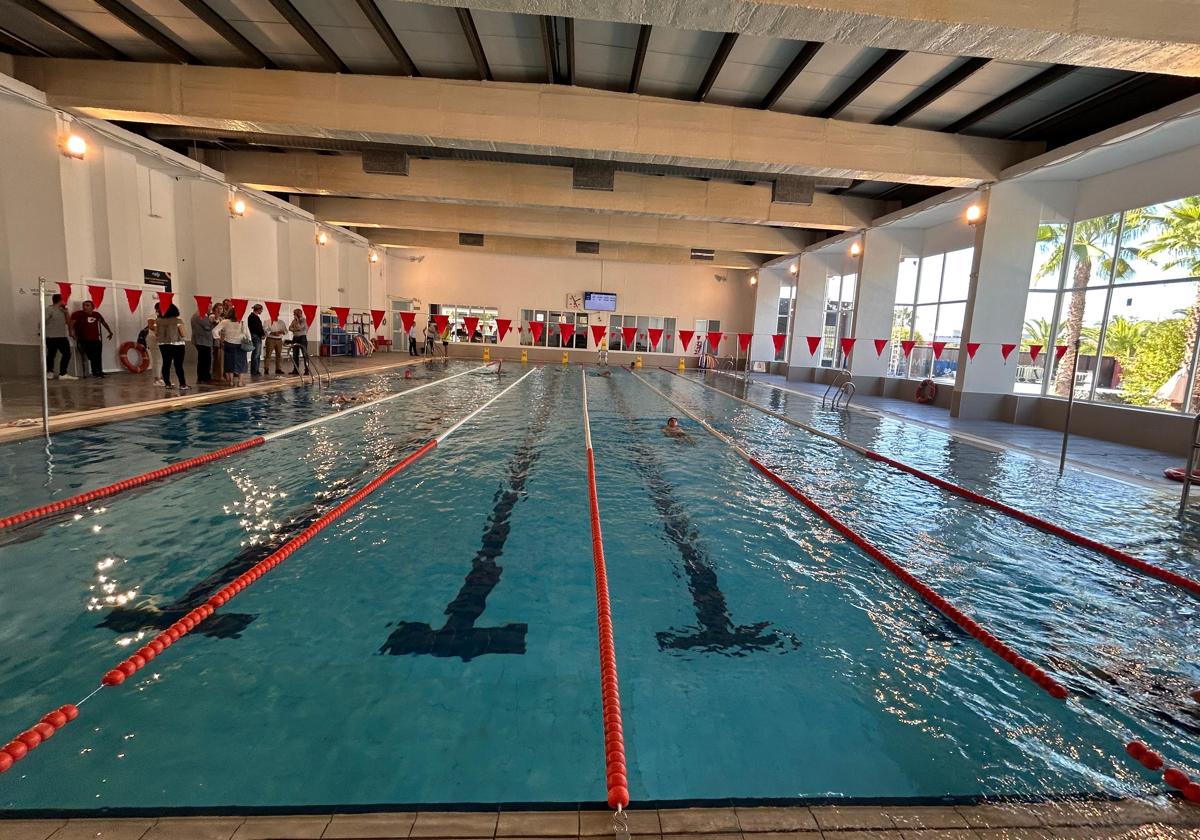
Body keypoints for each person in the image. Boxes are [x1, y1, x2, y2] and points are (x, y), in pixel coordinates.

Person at [69, 300, 113, 378]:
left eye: (87, 305)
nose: (85, 307)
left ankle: (99, 370)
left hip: (95, 338)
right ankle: (95, 371)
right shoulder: (78, 314)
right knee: (92, 356)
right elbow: (71, 323)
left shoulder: (96, 314)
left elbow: (103, 322)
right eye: (84, 305)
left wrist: (109, 331)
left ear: (93, 307)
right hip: (84, 339)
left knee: (98, 355)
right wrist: (71, 332)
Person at [156, 303, 189, 391]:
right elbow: (183, 334)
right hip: (177, 344)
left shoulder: (158, 321)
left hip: (163, 344)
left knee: (166, 364)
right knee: (178, 365)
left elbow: (156, 333)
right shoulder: (178, 321)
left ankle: (167, 384)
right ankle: (182, 384)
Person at [43, 293, 76, 380]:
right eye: (64, 300)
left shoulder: (64, 310)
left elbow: (68, 323)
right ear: (60, 300)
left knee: (67, 354)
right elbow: (42, 321)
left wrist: (66, 313)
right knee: (51, 354)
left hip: (62, 336)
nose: (65, 302)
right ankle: (50, 372)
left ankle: (63, 373)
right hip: (51, 336)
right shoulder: (49, 309)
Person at [213, 309, 248, 386]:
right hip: (240, 344)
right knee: (241, 362)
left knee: (229, 362)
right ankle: (240, 382)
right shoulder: (242, 322)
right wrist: (249, 341)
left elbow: (214, 331)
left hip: (228, 344)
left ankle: (231, 381)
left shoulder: (225, 322)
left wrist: (218, 339)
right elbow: (246, 333)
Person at [191, 306, 214, 383]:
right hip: (202, 340)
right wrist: (214, 322)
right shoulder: (200, 315)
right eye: (209, 306)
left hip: (202, 340)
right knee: (205, 360)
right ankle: (204, 377)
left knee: (203, 359)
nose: (211, 308)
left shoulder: (200, 314)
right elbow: (208, 326)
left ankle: (202, 377)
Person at [288, 308, 311, 376]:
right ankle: (296, 369)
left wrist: (297, 322)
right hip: (295, 338)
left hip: (302, 338)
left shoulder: (303, 320)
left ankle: (306, 370)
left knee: (304, 354)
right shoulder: (293, 321)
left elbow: (300, 327)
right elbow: (289, 328)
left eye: (294, 313)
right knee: (295, 355)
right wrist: (295, 329)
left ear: (299, 314)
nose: (293, 315)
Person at [264, 310, 287, 376]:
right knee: (268, 354)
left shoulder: (281, 322)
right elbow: (265, 330)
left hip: (279, 340)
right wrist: (273, 333)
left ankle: (278, 369)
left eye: (276, 314)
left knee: (279, 355)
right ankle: (266, 368)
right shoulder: (267, 321)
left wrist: (281, 332)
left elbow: (285, 331)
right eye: (274, 314)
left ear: (278, 314)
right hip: (270, 339)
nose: (275, 316)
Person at [247, 304, 265, 376]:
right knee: (256, 353)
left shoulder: (255, 317)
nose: (261, 311)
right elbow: (256, 328)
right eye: (261, 310)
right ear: (258, 309)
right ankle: (254, 370)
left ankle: (256, 370)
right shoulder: (252, 317)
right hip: (256, 336)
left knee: (258, 353)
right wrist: (262, 334)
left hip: (257, 336)